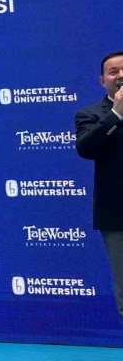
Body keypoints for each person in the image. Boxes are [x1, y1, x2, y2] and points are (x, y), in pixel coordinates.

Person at [75, 50, 123, 323]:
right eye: (113, 72)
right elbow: (86, 148)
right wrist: (117, 113)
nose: (121, 75)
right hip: (117, 215)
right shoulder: (90, 115)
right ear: (102, 81)